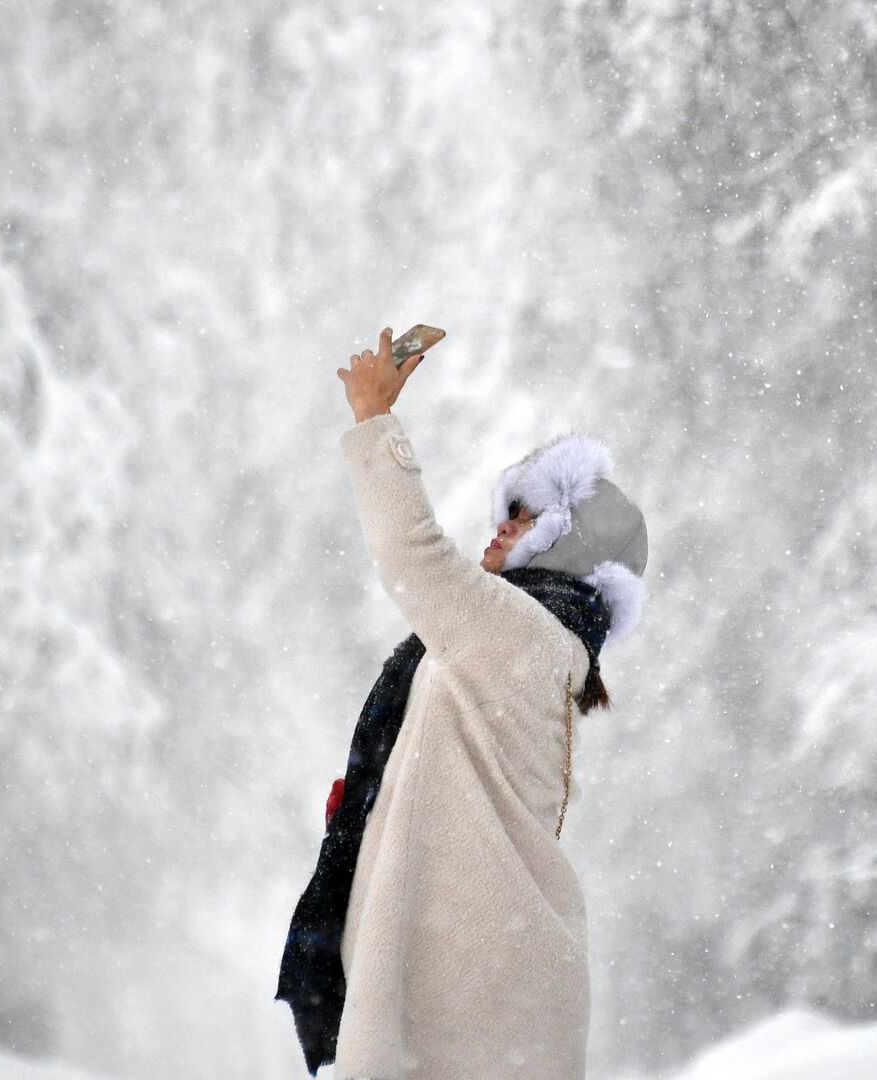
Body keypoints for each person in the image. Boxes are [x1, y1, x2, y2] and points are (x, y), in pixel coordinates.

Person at [276, 329, 648, 1079]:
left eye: (520, 522)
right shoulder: (531, 646)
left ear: (558, 546)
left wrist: (374, 419)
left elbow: (413, 553)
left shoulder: (528, 636)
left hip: (473, 997)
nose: (498, 532)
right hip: (486, 986)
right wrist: (372, 803)